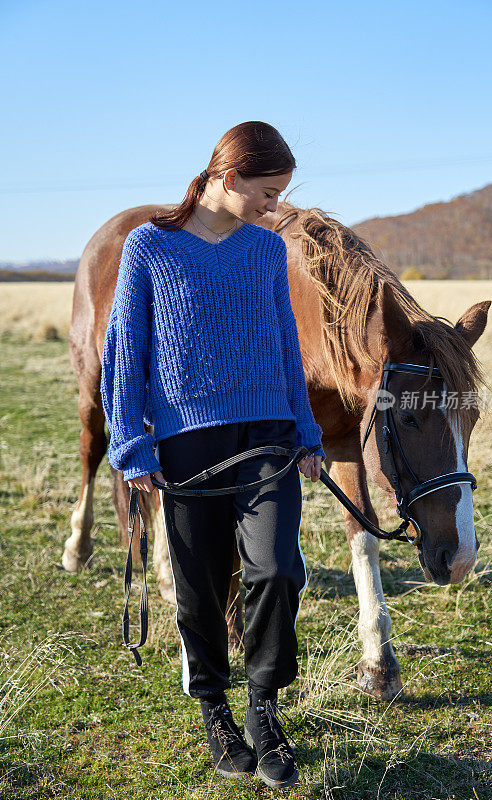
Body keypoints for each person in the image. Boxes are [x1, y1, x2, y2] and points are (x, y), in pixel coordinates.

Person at [100, 120, 325, 789]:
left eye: (279, 194)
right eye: (267, 192)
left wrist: (308, 431)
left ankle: (264, 706)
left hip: (270, 437)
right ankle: (215, 711)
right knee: (199, 590)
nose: (274, 206)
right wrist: (131, 442)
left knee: (278, 569)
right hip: (186, 443)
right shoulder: (149, 247)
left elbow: (287, 345)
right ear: (228, 178)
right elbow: (125, 350)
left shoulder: (262, 252)